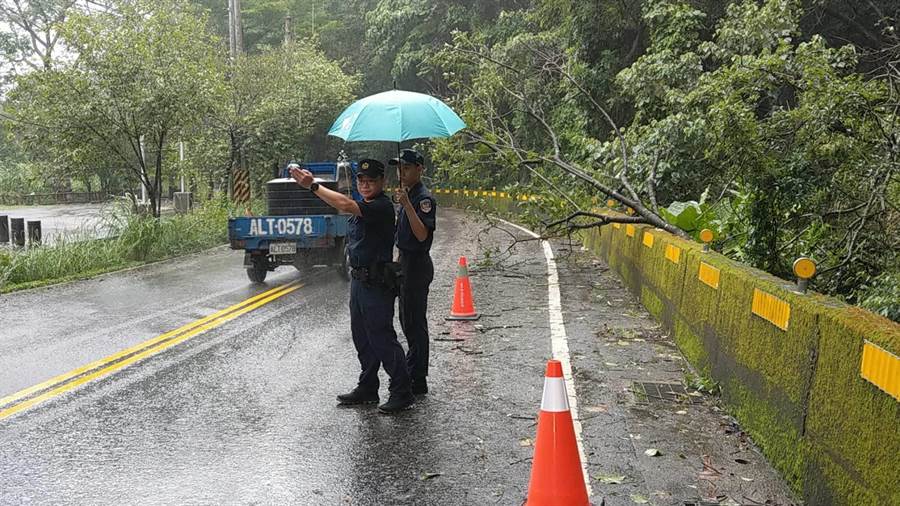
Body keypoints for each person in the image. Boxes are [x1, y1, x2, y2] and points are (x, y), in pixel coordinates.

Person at [290, 159, 415, 413]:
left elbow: (344, 204)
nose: (365, 185)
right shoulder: (364, 205)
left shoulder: (380, 206)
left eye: (371, 181)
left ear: (382, 182)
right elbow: (345, 203)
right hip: (358, 281)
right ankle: (368, 386)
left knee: (381, 337)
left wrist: (312, 185)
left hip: (377, 282)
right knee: (362, 337)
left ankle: (402, 391)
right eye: (361, 181)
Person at [390, 149, 436, 395]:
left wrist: (407, 205)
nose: (402, 173)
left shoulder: (423, 199)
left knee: (415, 323)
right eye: (399, 168)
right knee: (405, 319)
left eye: (406, 168)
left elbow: (421, 235)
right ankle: (413, 367)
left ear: (420, 169)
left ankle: (418, 377)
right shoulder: (407, 195)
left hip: (418, 265)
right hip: (405, 262)